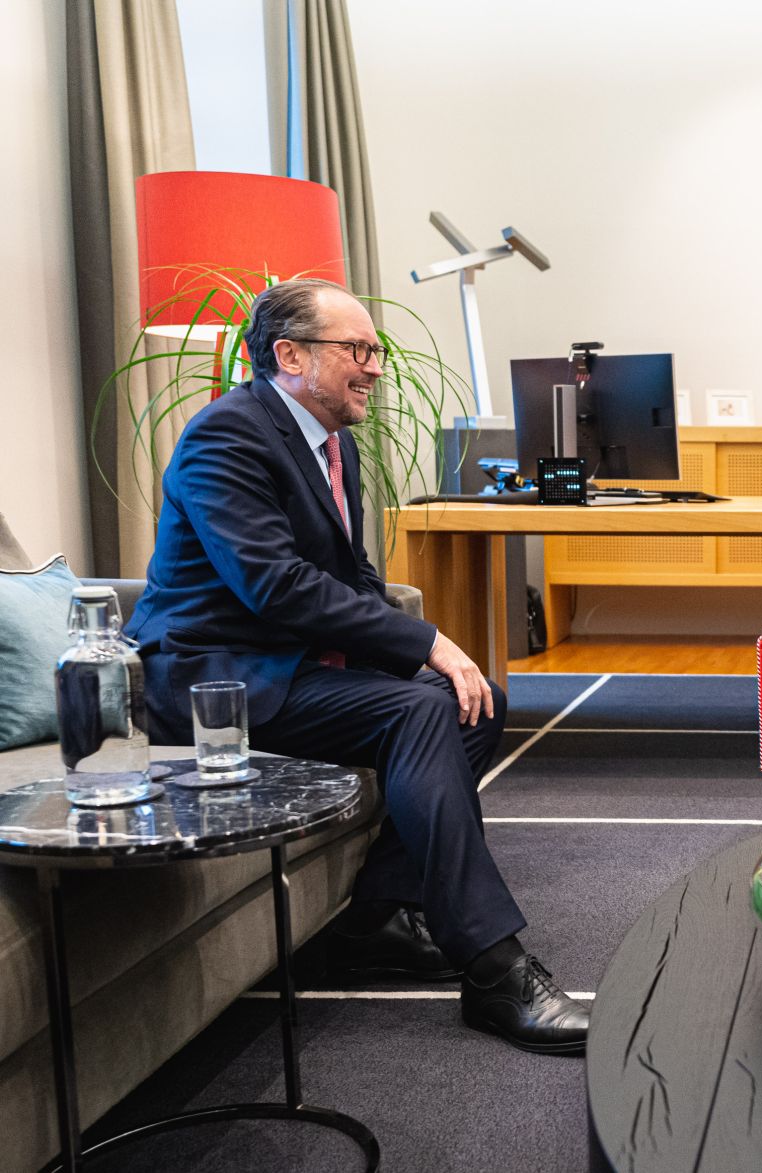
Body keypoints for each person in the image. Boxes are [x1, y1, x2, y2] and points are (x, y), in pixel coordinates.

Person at [125, 278, 590, 1054]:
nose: (375, 366)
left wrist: (434, 657)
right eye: (358, 349)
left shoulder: (329, 439)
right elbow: (274, 585)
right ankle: (493, 966)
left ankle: (373, 918)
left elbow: (350, 577)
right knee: (423, 705)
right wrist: (425, 643)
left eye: (375, 350)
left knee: (475, 698)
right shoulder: (225, 438)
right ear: (290, 355)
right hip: (216, 682)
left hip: (291, 668)